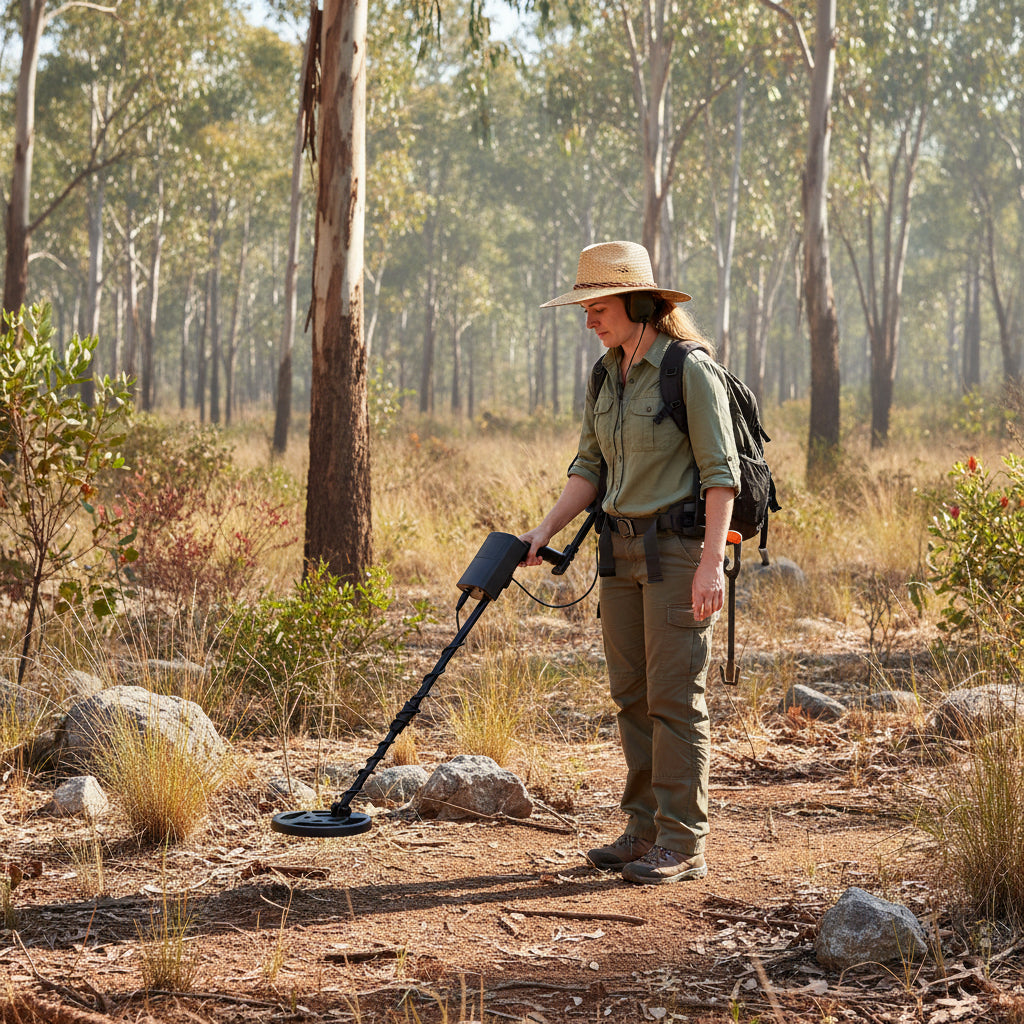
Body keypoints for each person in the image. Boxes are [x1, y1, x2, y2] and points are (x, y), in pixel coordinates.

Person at [519, 240, 740, 885]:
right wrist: (543, 530)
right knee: (632, 696)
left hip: (677, 554)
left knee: (674, 698)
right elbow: (590, 467)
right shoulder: (604, 375)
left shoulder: (687, 370)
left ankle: (683, 840)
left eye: (598, 306)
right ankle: (642, 831)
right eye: (585, 308)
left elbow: (719, 476)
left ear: (635, 304)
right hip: (617, 553)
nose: (588, 320)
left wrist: (709, 567)